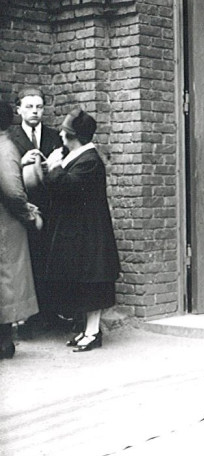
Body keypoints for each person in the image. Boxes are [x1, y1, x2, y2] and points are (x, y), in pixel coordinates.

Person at [43, 109, 120, 352]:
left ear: (70, 135)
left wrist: (54, 167)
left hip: (89, 233)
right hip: (81, 232)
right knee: (83, 283)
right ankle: (86, 331)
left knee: (92, 284)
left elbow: (68, 188)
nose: (61, 137)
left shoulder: (88, 161)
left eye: (64, 133)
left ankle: (93, 333)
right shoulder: (79, 157)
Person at [9, 87, 62, 334]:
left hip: (51, 209)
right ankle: (26, 321)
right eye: (29, 106)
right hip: (21, 212)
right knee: (25, 265)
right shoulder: (9, 138)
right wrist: (21, 164)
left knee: (49, 261)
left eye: (39, 106)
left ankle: (50, 315)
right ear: (18, 109)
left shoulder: (54, 136)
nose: (34, 111)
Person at [0, 101, 43, 359]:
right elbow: (13, 191)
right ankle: (4, 342)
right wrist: (29, 214)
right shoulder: (5, 148)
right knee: (7, 280)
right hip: (5, 224)